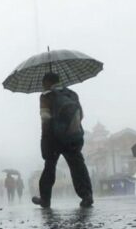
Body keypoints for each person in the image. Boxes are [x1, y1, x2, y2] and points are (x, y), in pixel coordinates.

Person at [32, 72, 94, 209]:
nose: (43, 87)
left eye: (43, 84)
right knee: (78, 166)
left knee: (49, 167)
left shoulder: (46, 96)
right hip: (72, 136)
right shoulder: (72, 94)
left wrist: (45, 139)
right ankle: (86, 196)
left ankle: (45, 200)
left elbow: (45, 119)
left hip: (54, 139)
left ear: (47, 82)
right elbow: (81, 115)